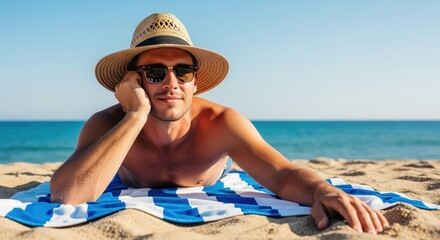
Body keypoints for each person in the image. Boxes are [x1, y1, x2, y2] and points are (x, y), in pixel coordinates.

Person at [50, 13, 389, 234]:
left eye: (183, 72)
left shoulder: (222, 123)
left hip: (219, 175)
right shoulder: (108, 124)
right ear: (134, 82)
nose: (171, 83)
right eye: (155, 72)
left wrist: (323, 190)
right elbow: (68, 194)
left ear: (195, 83)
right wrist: (136, 114)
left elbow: (283, 175)